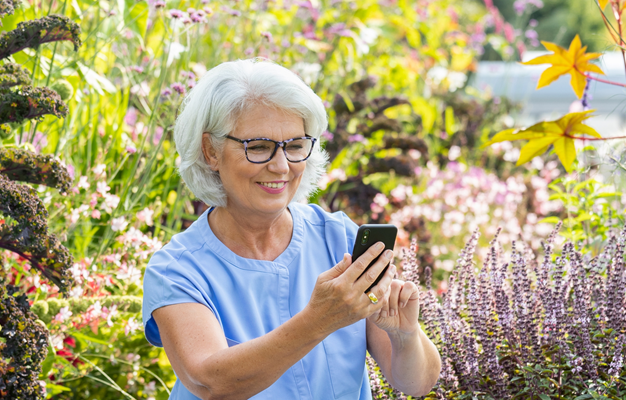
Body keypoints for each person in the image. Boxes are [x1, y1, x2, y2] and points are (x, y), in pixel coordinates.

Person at [141, 59, 441, 399]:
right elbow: (210, 383)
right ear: (211, 151)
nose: (281, 166)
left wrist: (405, 336)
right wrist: (319, 319)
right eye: (258, 147)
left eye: (295, 146)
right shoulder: (176, 269)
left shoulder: (339, 238)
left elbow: (417, 383)